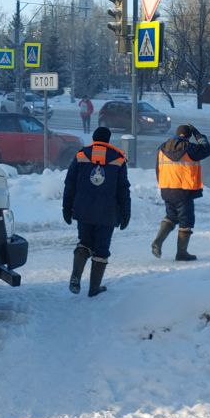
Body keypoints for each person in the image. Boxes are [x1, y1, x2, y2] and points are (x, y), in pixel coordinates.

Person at [62, 126, 130, 296]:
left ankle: (75, 277)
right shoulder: (119, 159)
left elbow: (70, 184)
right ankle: (94, 288)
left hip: (83, 209)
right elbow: (123, 190)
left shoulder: (81, 155)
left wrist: (66, 208)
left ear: (93, 138)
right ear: (108, 140)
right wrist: (125, 213)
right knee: (101, 249)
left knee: (84, 242)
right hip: (107, 213)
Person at [152, 124, 210, 261]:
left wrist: (163, 185)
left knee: (171, 216)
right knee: (186, 221)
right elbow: (207, 150)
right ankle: (182, 253)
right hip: (183, 190)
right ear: (188, 136)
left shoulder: (162, 147)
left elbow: (158, 169)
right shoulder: (189, 148)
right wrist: (198, 134)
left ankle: (158, 241)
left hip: (167, 188)